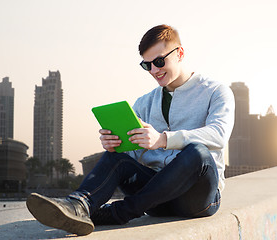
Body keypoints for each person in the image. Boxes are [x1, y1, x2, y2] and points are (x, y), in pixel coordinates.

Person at [26, 24, 235, 236]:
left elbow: (218, 135)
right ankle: (78, 206)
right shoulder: (144, 103)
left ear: (179, 53)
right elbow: (133, 154)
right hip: (156, 200)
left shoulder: (216, 91)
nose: (154, 70)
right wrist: (116, 144)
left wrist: (163, 139)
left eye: (159, 61)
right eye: (147, 65)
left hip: (197, 199)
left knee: (197, 153)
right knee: (115, 158)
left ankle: (118, 212)